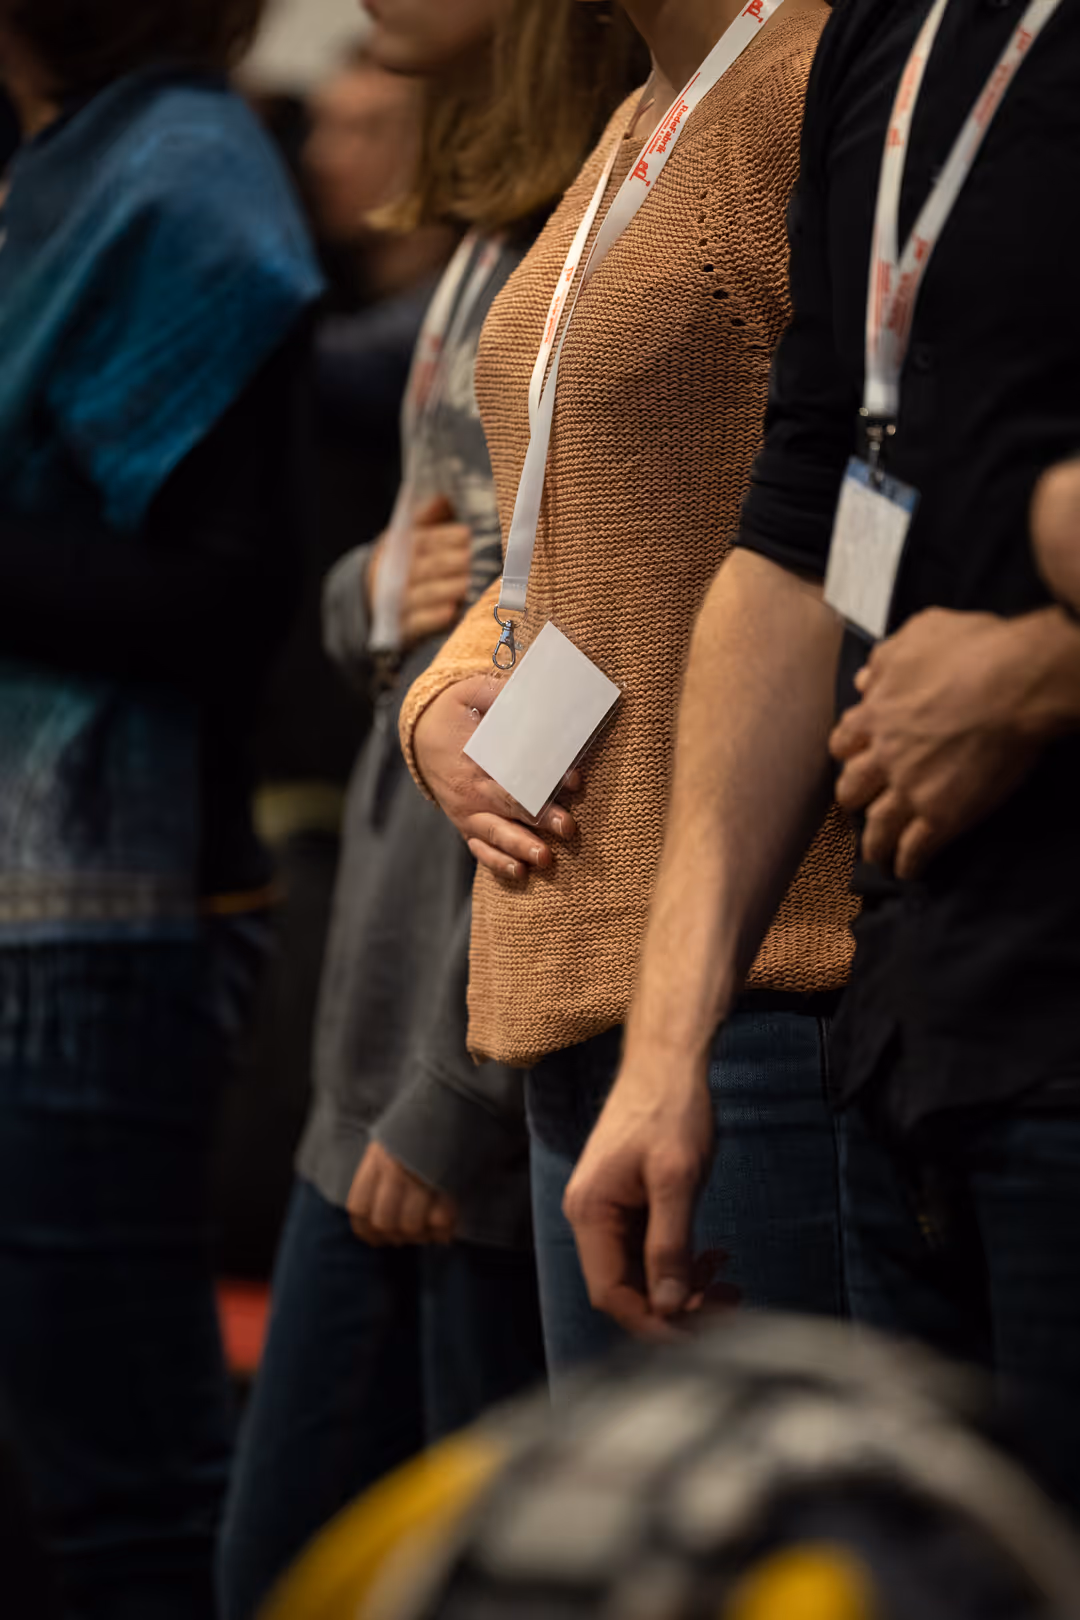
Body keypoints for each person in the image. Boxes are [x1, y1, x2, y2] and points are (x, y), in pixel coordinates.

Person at [564, 0, 1080, 1517]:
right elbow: (804, 529)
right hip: (914, 1030)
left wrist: (1048, 673)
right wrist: (667, 1050)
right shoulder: (895, 31)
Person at [217, 5, 649, 1616]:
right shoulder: (485, 221)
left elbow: (588, 667)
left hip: (457, 1057)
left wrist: (450, 1091)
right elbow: (423, 590)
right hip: (388, 1031)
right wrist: (370, 592)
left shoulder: (603, 216)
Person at [399, 0, 855, 1380]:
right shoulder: (635, 115)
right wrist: (445, 692)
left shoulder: (801, 84)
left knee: (768, 1554)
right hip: (567, 949)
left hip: (766, 970)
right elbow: (569, 517)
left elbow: (840, 502)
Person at [0, 2, 323, 1615]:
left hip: (108, 921)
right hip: (40, 905)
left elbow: (221, 599)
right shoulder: (68, 155)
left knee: (121, 1480)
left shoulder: (182, 167)